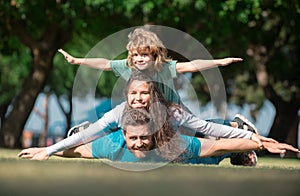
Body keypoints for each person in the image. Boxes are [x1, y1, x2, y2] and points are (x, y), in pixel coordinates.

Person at [18, 71, 275, 164]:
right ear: (126, 94)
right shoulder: (120, 114)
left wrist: (251, 136)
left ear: (153, 94)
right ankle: (238, 153)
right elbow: (89, 139)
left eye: (144, 93)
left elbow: (210, 132)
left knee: (206, 134)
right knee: (103, 135)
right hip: (138, 138)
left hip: (180, 137)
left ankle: (235, 126)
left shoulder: (171, 112)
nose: (139, 98)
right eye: (133, 93)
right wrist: (49, 150)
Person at [58, 26, 244, 128]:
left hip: (173, 109)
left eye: (144, 55)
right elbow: (105, 63)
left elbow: (191, 66)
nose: (139, 59)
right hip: (147, 111)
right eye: (136, 55)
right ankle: (87, 130)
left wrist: (219, 62)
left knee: (200, 130)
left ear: (154, 55)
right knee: (123, 123)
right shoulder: (127, 66)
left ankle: (235, 125)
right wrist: (77, 61)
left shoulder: (163, 67)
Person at [19, 107, 299, 164]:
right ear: (123, 134)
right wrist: (49, 150)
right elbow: (78, 150)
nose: (139, 143)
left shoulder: (173, 143)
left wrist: (260, 142)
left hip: (199, 154)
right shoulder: (112, 143)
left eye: (145, 138)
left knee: (220, 152)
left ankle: (236, 127)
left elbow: (215, 144)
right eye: (133, 138)